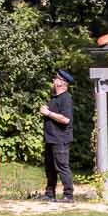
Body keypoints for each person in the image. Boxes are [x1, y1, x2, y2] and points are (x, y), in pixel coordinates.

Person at [40, 71, 75, 200]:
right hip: (51, 138)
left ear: (62, 82)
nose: (53, 80)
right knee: (50, 168)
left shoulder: (66, 99)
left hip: (60, 139)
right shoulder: (54, 98)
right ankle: (50, 194)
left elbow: (66, 119)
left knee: (62, 166)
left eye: (55, 78)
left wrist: (48, 113)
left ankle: (68, 195)